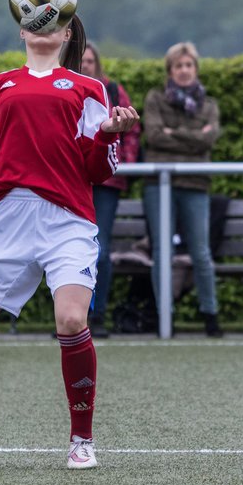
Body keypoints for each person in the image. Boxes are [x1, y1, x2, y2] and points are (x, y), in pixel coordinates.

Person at [0, 7, 138, 471]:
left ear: (67, 34)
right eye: (33, 19)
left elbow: (100, 170)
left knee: (71, 320)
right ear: (21, 30)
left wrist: (109, 134)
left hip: (68, 220)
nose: (41, 27)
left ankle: (81, 439)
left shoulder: (91, 89)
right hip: (7, 221)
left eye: (53, 22)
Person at [141, 42, 223, 338]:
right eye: (179, 66)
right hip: (159, 186)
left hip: (196, 183)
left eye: (189, 65)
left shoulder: (209, 105)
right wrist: (192, 138)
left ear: (196, 69)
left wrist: (173, 134)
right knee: (162, 252)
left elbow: (209, 139)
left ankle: (210, 315)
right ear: (170, 70)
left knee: (201, 252)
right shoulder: (155, 98)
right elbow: (153, 136)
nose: (184, 71)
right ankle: (166, 317)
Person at [80, 42, 140, 338]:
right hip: (75, 180)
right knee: (73, 250)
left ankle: (98, 313)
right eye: (82, 60)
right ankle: (75, 317)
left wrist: (121, 163)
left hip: (106, 183)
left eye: (91, 60)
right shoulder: (68, 89)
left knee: (99, 248)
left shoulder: (112, 90)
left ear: (97, 63)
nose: (87, 64)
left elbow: (131, 130)